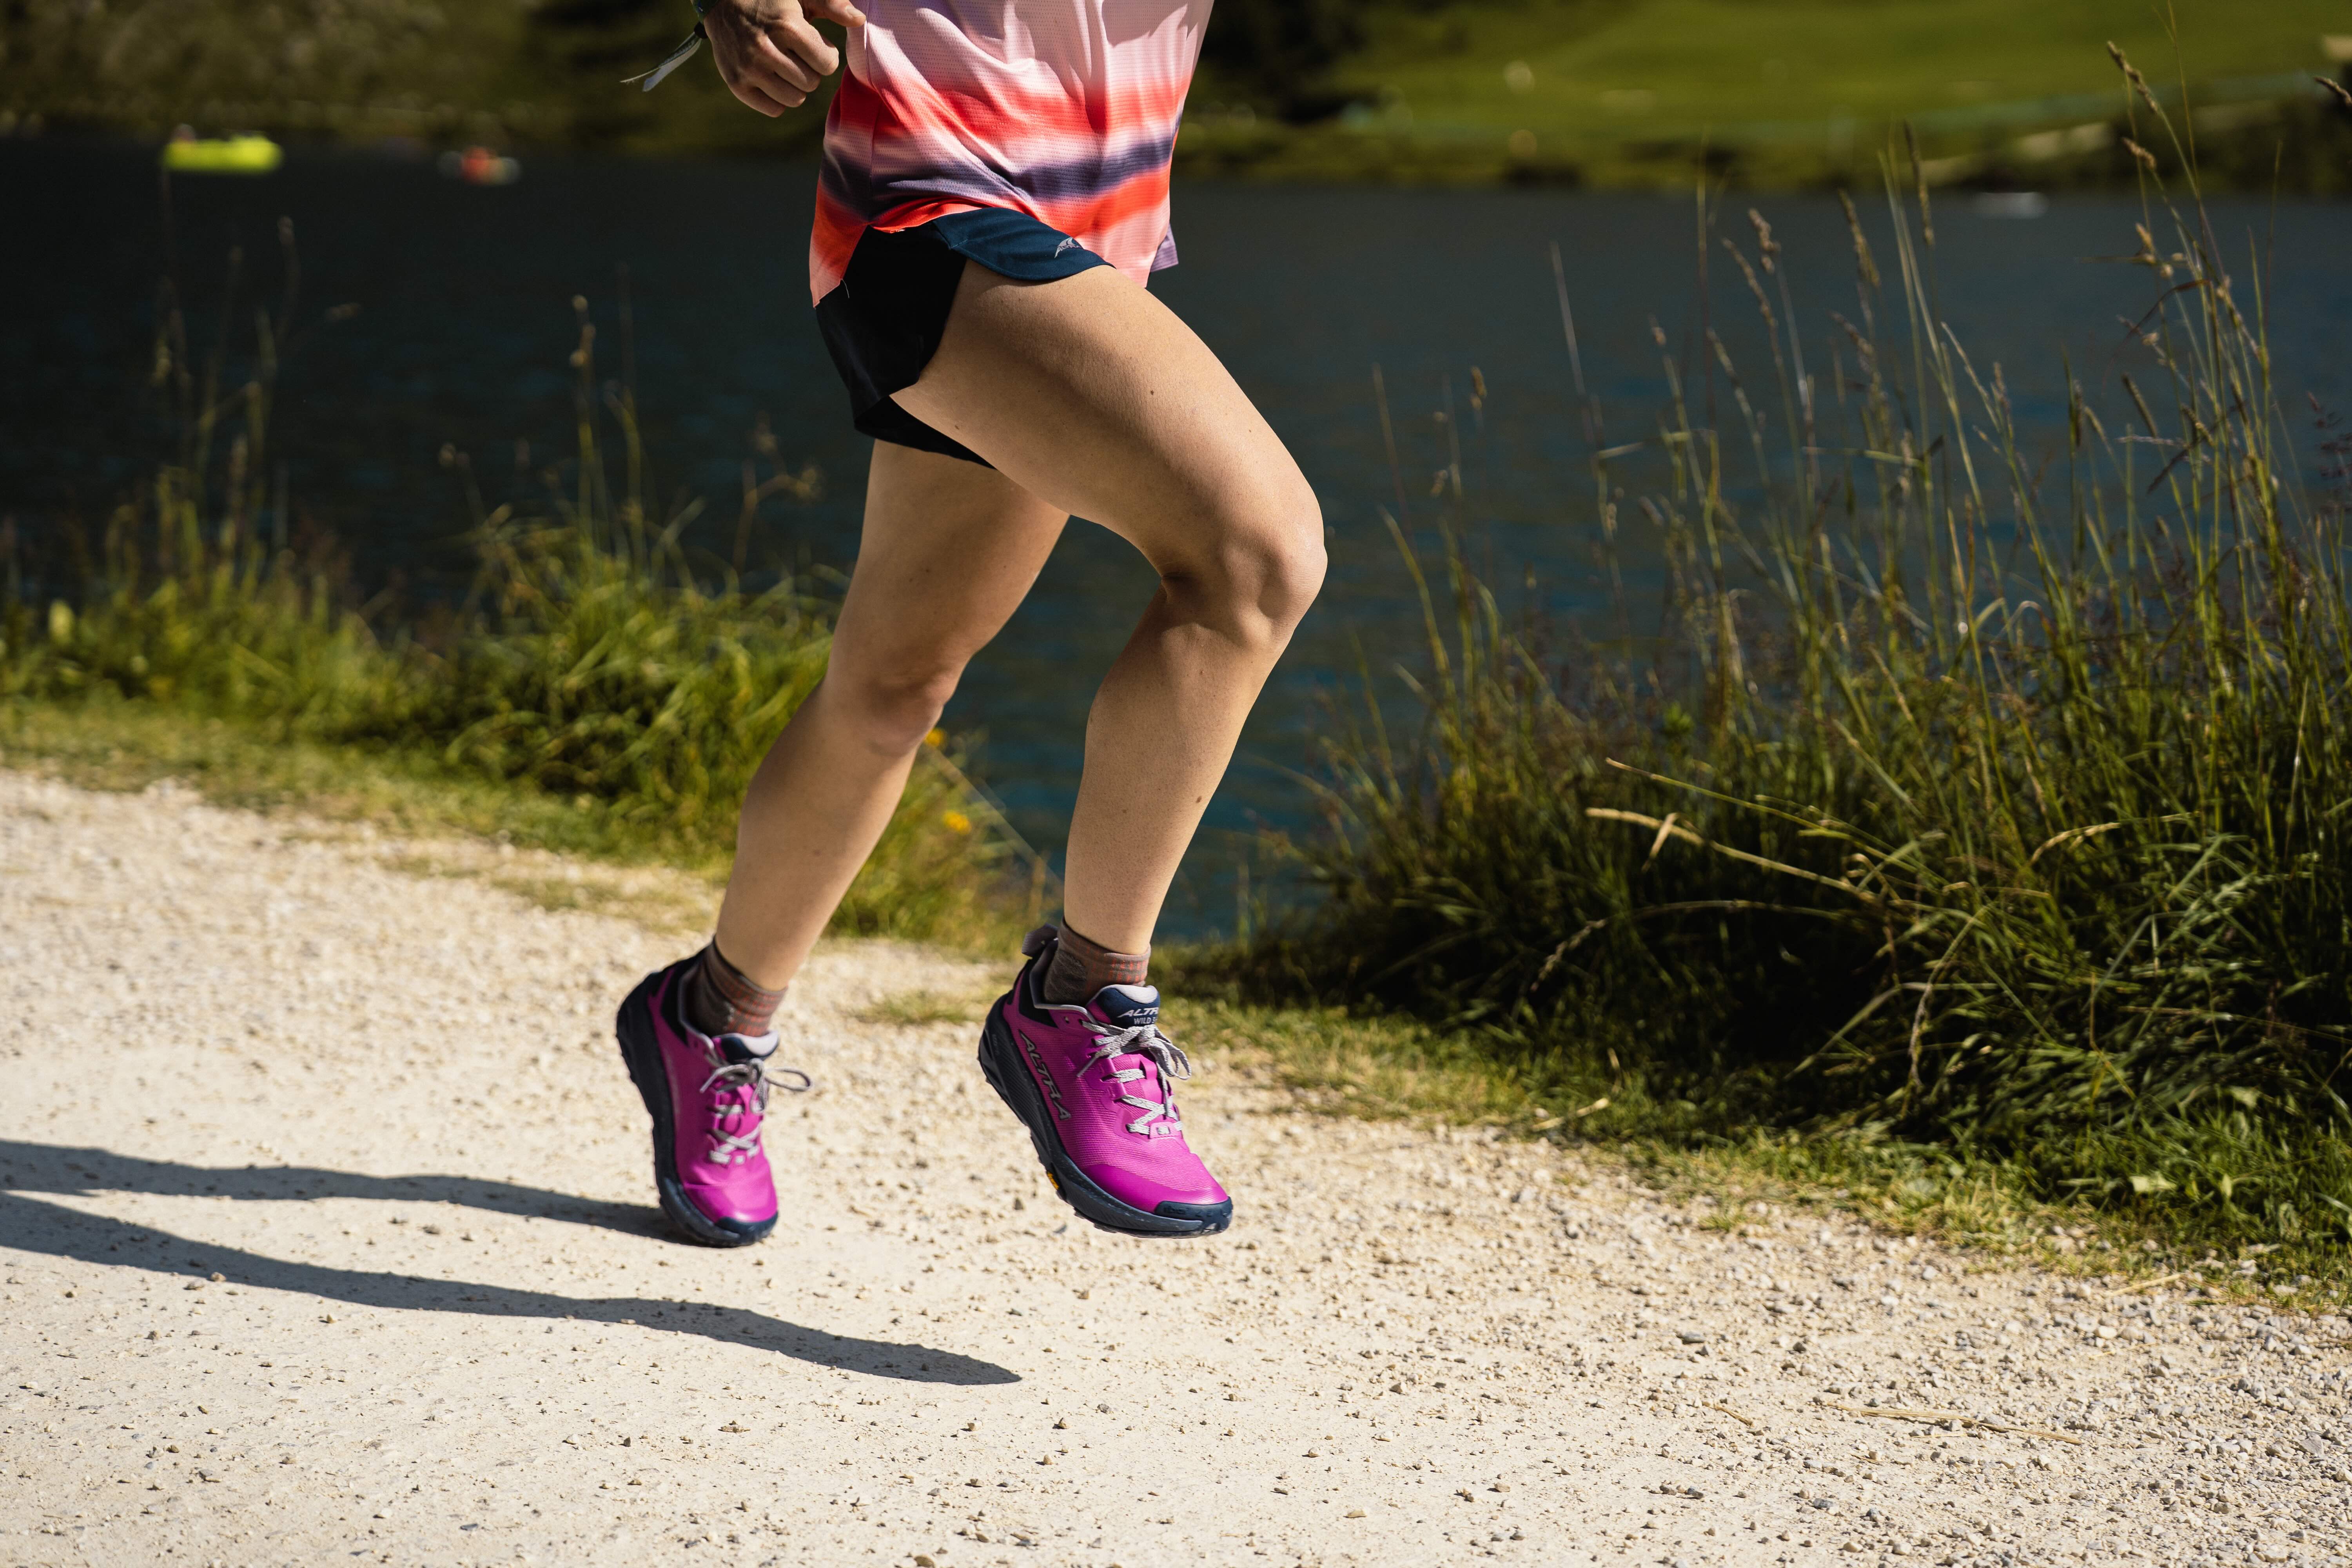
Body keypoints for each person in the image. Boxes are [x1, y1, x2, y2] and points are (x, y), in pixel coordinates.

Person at [613, 0, 1326, 1246]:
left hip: (1097, 217)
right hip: (930, 194)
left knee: (895, 683)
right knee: (1253, 558)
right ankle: (1084, 997)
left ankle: (709, 1017)